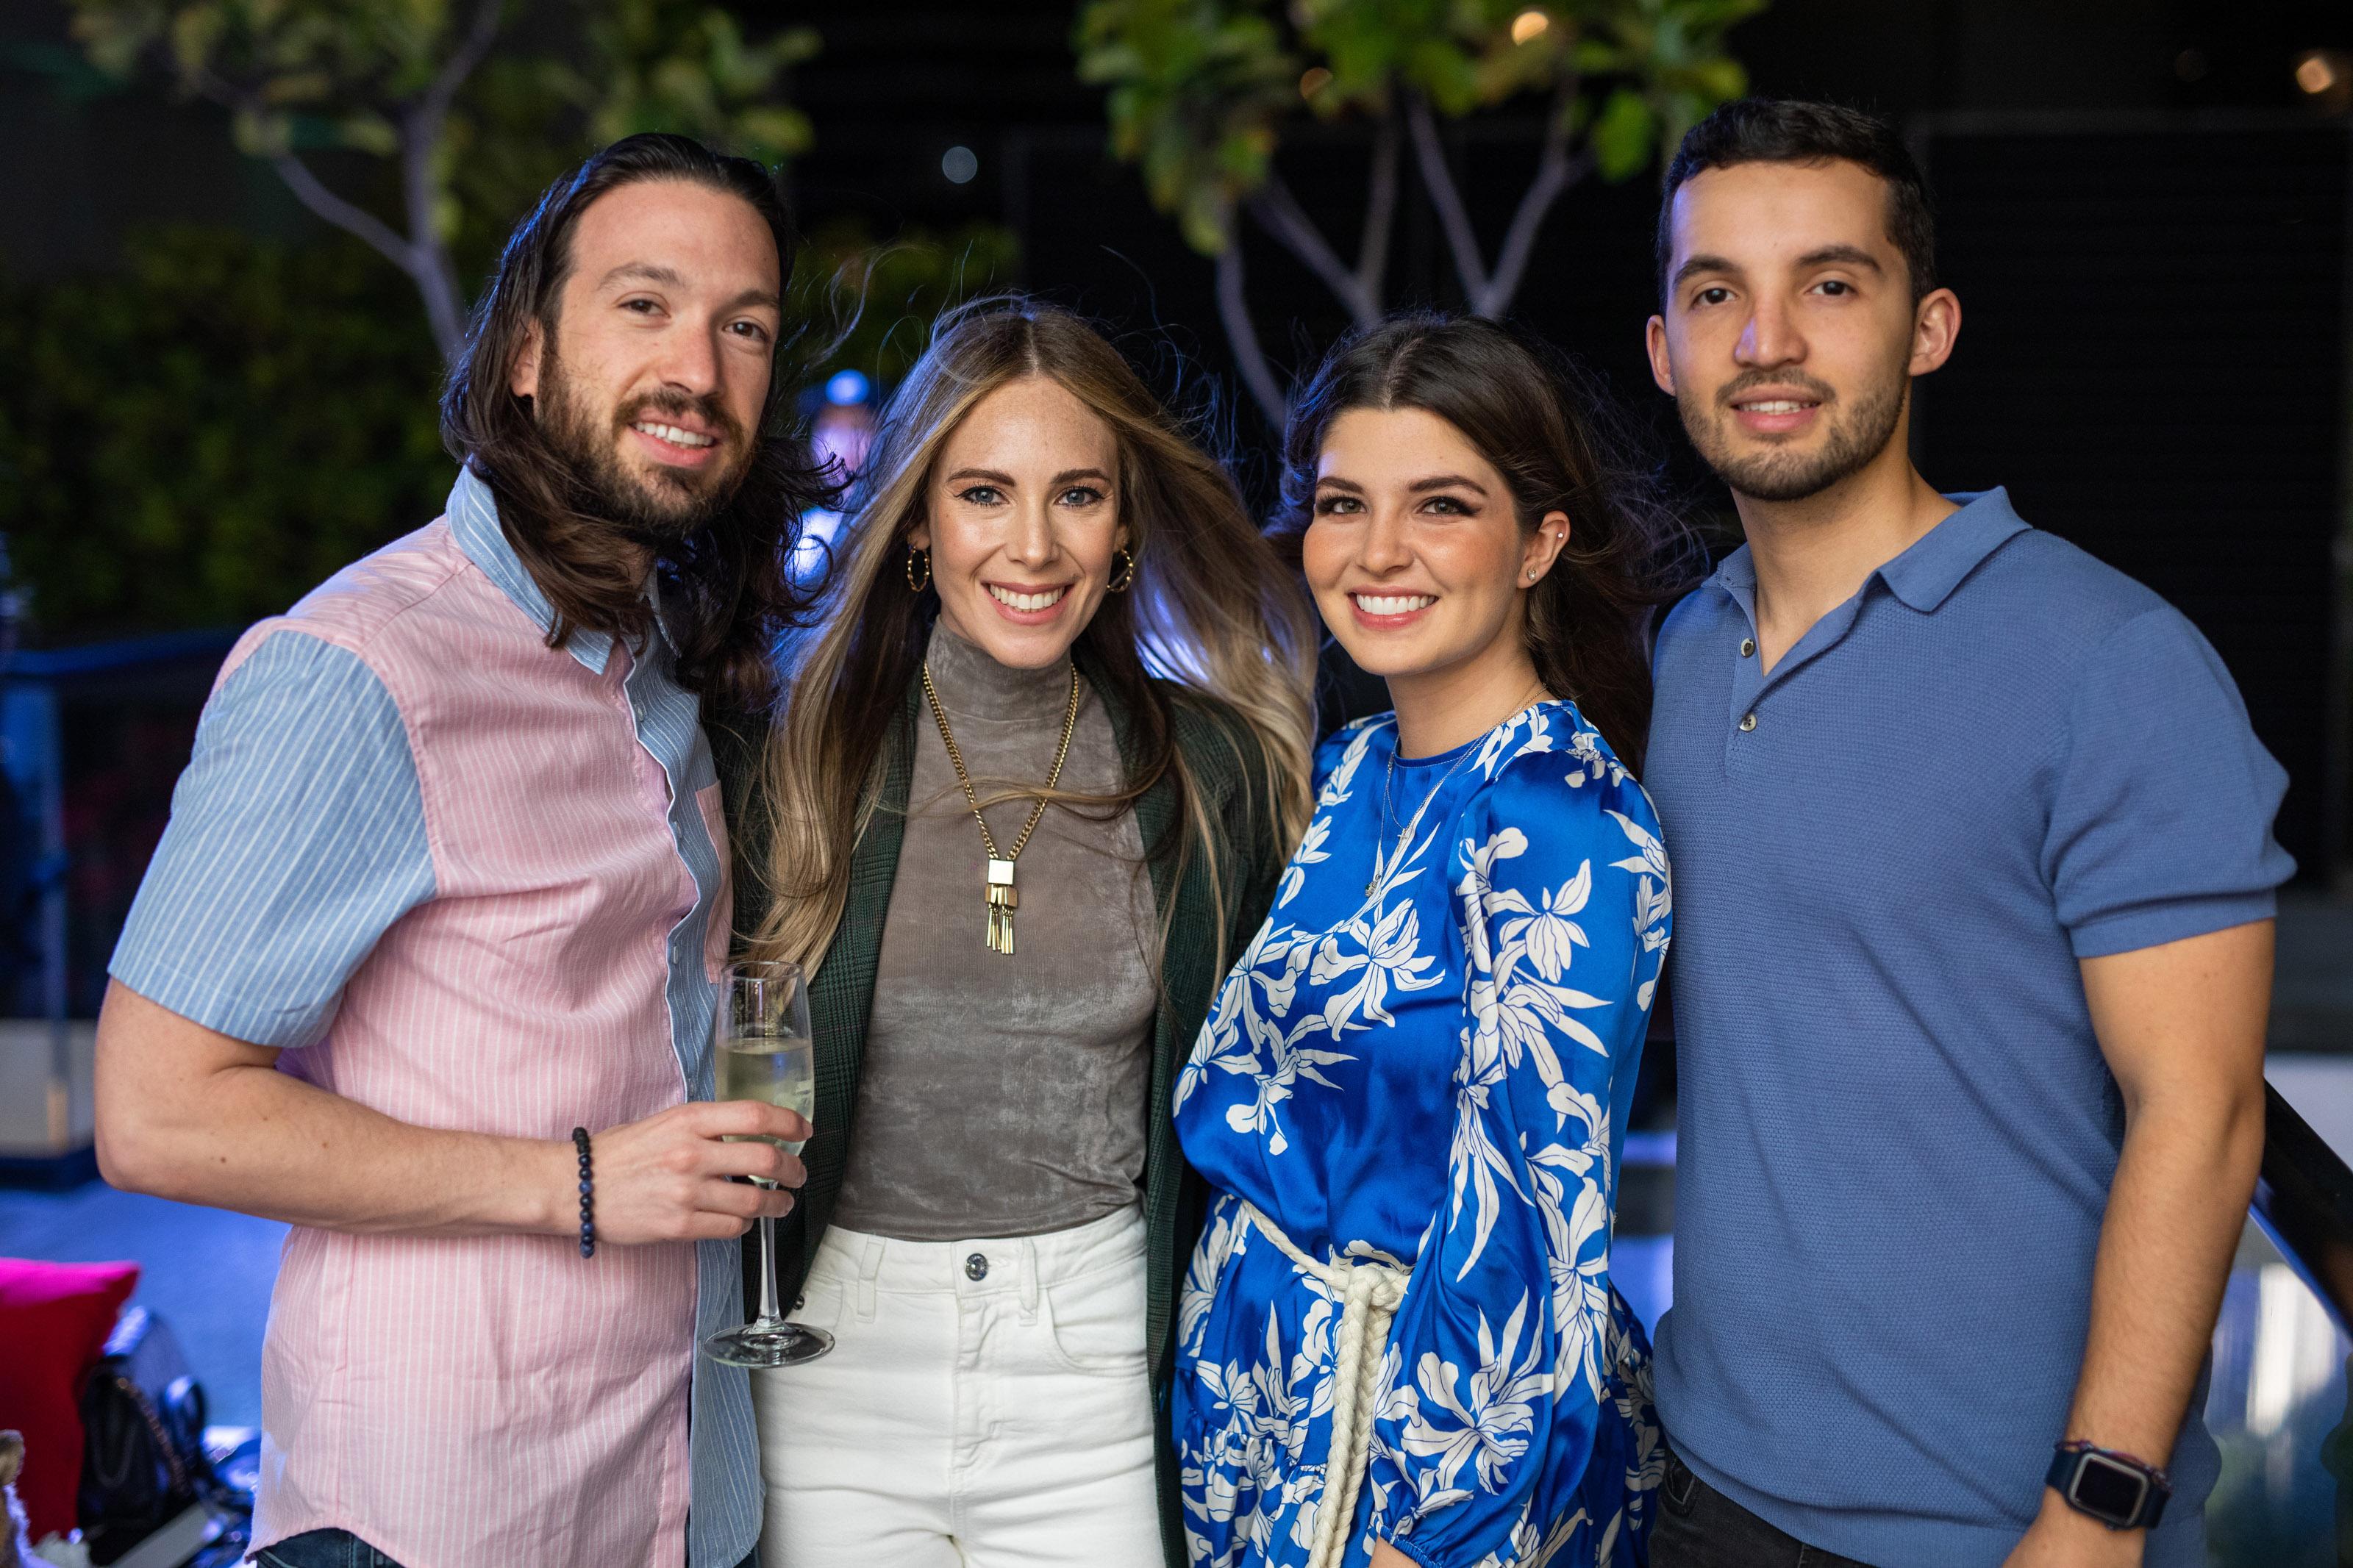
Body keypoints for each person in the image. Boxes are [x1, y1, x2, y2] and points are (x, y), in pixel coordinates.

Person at [93, 133, 826, 1568]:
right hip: (438, 1513)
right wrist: (583, 1182)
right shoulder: (361, 667)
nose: (700, 363)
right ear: (527, 358)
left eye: (744, 326)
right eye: (646, 304)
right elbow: (154, 1108)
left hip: (671, 1492)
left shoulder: (675, 668)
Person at [1640, 99, 2290, 1568]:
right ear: (1664, 347)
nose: (1766, 341)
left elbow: (2203, 1112)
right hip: (1709, 1486)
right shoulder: (1684, 650)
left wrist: (2095, 1506)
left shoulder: (2110, 661)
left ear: (1926, 327)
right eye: (1715, 293)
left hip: (2001, 1529)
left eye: (1828, 283)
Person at [717, 296, 1318, 1568]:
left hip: (1095, 1369)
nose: (1034, 546)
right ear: (920, 523)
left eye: (1078, 495)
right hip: (830, 1365)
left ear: (1126, 521)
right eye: (984, 492)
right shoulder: (793, 755)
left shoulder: (1214, 774)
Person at [1171, 315, 1688, 1568]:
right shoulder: (1351, 769)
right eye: (1344, 504)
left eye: (1442, 505)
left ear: (1539, 544)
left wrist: (1433, 1535)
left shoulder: (1559, 818)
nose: (1379, 552)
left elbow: (1535, 1221)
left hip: (1414, 1472)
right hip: (1265, 1412)